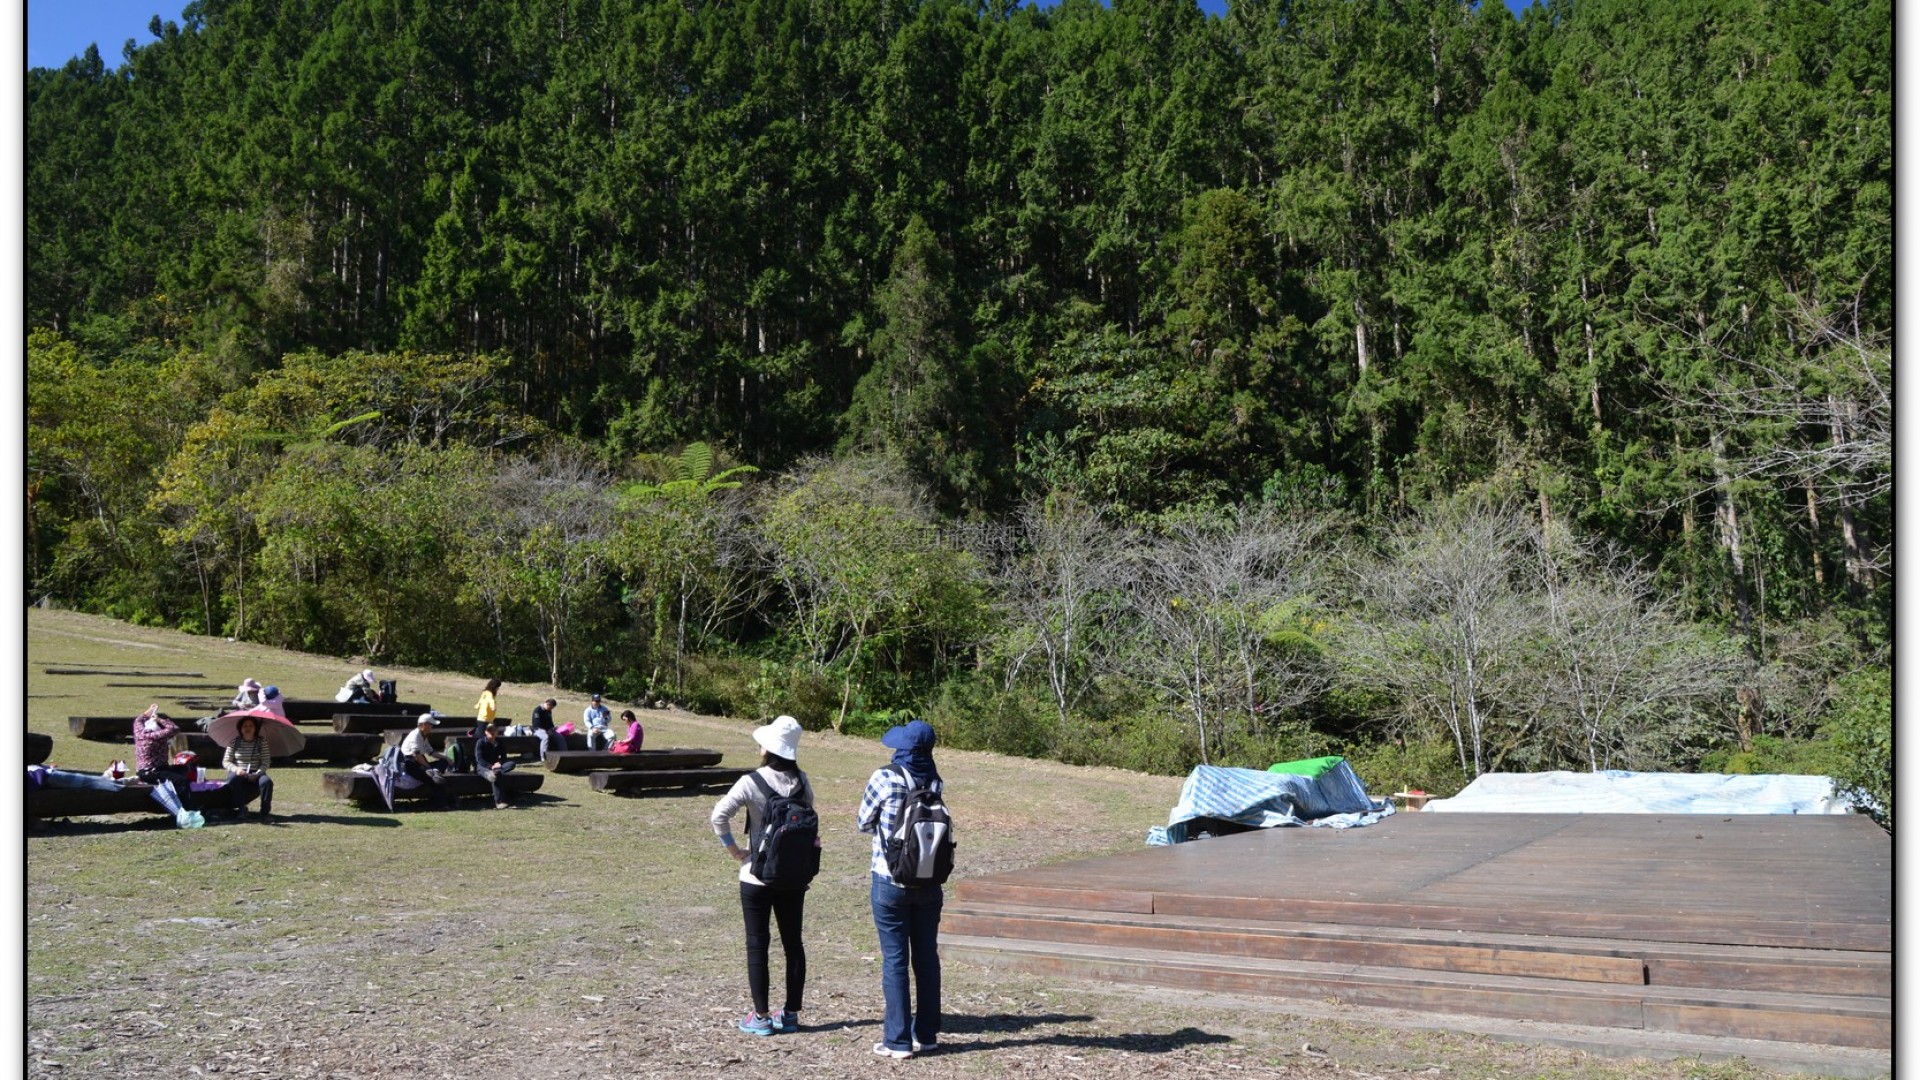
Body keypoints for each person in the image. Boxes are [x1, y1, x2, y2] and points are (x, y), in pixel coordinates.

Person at [709, 716, 812, 1038]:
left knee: (758, 945)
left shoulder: (750, 781)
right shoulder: (802, 780)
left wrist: (735, 850)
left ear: (767, 748)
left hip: (755, 876)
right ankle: (791, 1013)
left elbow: (718, 816)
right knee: (793, 944)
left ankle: (762, 1017)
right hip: (793, 876)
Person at [859, 718, 945, 1059]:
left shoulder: (884, 777)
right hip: (929, 880)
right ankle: (926, 1034)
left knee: (895, 959)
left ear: (904, 749)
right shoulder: (936, 781)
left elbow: (863, 822)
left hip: (889, 879)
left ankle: (896, 1041)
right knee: (926, 958)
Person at [28, 764, 204, 828]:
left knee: (87, 781)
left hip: (42, 775)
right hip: (44, 777)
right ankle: (117, 782)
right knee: (88, 782)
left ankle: (114, 781)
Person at [131, 704, 204, 828]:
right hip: (151, 772)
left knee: (183, 769)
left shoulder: (139, 731)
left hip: (157, 768)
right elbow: (174, 728)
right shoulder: (155, 736)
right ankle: (189, 810)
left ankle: (189, 799)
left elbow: (138, 720)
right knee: (181, 781)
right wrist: (159, 719)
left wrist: (149, 712)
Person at [220, 715, 275, 820]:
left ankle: (265, 813)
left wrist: (258, 773)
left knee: (267, 782)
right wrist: (236, 769)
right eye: (245, 726)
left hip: (256, 771)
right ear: (240, 729)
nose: (248, 728)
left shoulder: (261, 742)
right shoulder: (234, 742)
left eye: (251, 726)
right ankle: (241, 809)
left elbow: (266, 761)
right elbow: (226, 761)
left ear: (255, 728)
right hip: (239, 771)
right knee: (232, 779)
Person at [400, 715, 452, 807]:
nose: (432, 727)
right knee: (436, 780)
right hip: (411, 764)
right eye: (431, 724)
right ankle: (441, 805)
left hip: (420, 762)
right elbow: (416, 755)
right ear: (424, 725)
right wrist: (428, 768)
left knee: (444, 762)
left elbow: (431, 752)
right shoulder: (415, 735)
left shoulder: (423, 736)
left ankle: (435, 772)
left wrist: (446, 757)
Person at [473, 723, 518, 809]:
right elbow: (479, 759)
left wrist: (500, 763)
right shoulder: (480, 742)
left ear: (497, 732)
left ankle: (493, 773)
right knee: (496, 775)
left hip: (496, 766)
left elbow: (504, 756)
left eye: (494, 731)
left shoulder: (499, 742)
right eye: (490, 731)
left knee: (511, 764)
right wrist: (490, 766)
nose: (492, 733)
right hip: (483, 766)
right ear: (486, 732)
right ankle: (499, 802)